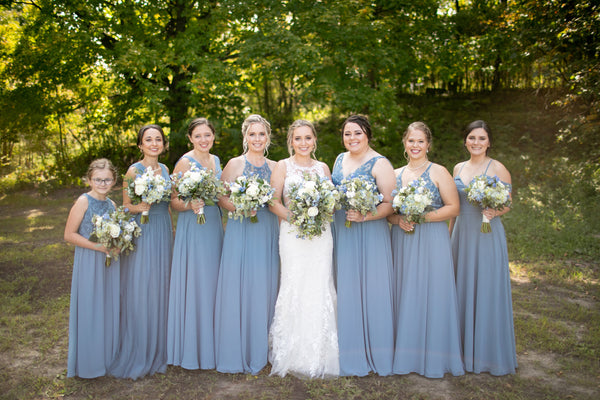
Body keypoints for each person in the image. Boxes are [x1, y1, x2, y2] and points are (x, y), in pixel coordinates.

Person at [388, 121, 464, 378]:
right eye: (411, 141)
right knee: (405, 291)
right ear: (405, 143)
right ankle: (406, 353)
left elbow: (453, 208)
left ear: (428, 144)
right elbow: (389, 212)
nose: (416, 146)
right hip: (403, 240)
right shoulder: (395, 174)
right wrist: (399, 220)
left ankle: (433, 355)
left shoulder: (439, 172)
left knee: (432, 292)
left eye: (421, 141)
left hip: (432, 240)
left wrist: (422, 217)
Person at [268, 119, 339, 378]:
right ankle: (292, 353)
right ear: (291, 142)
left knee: (320, 285)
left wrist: (323, 211)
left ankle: (320, 352)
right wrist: (292, 216)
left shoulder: (322, 167)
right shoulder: (282, 166)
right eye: (298, 138)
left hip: (320, 235)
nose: (303, 143)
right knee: (294, 284)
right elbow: (273, 201)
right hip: (292, 233)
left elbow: (332, 202)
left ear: (314, 140)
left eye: (308, 138)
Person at [450, 120, 517, 375]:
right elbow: (454, 207)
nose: (476, 142)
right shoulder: (458, 167)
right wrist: (449, 236)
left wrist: (495, 209)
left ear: (489, 142)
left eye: (481, 138)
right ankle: (463, 351)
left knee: (486, 288)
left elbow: (508, 203)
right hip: (462, 234)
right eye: (471, 138)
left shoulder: (498, 168)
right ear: (465, 141)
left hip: (486, 233)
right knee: (461, 286)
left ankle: (488, 353)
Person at [214, 114, 279, 374]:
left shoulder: (276, 166)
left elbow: (279, 199)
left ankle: (263, 346)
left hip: (266, 229)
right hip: (241, 229)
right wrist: (240, 206)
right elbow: (221, 196)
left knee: (265, 282)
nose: (257, 139)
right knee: (239, 282)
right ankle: (237, 346)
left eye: (261, 134)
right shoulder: (234, 164)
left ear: (268, 137)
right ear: (245, 137)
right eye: (252, 134)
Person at [331, 115, 395, 376]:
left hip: (369, 233)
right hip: (342, 231)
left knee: (371, 288)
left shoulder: (380, 163)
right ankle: (348, 349)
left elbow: (389, 204)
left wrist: (364, 215)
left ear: (367, 134)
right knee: (345, 286)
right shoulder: (338, 159)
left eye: (357, 133)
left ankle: (375, 352)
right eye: (347, 134)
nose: (352, 138)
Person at [110, 124, 173, 379]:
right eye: (149, 140)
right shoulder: (132, 171)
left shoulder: (166, 169)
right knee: (142, 286)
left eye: (158, 139)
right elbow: (126, 206)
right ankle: (140, 349)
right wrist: (142, 206)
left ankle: (161, 348)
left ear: (163, 144)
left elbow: (168, 203)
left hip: (163, 229)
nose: (154, 143)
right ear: (140, 145)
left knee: (161, 285)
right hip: (144, 231)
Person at [167, 118, 223, 370]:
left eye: (207, 135)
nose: (203, 140)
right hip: (193, 223)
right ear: (190, 138)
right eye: (198, 136)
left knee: (213, 279)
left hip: (212, 223)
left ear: (213, 136)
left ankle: (212, 341)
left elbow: (221, 193)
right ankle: (192, 345)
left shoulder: (217, 160)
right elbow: (174, 201)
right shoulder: (184, 162)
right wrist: (190, 205)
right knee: (196, 280)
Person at [64, 158, 120, 378]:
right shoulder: (83, 201)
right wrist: (98, 246)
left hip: (108, 261)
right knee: (90, 307)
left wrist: (116, 245)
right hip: (89, 259)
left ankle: (106, 356)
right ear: (89, 179)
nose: (103, 183)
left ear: (114, 181)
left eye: (107, 179)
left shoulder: (112, 205)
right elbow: (69, 235)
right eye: (98, 179)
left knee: (107, 306)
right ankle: (88, 363)